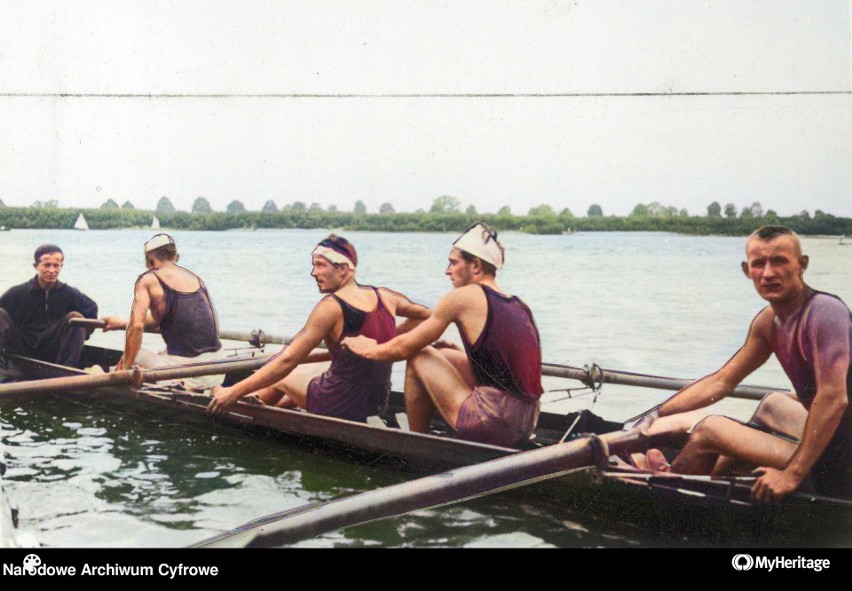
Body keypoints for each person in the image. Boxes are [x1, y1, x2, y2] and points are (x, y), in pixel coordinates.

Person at [638, 225, 850, 501]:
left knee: (709, 430)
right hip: (836, 436)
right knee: (772, 403)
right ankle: (721, 475)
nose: (769, 273)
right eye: (759, 264)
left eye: (780, 261)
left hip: (841, 456)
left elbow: (834, 398)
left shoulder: (825, 312)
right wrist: (655, 415)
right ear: (746, 270)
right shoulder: (768, 322)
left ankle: (667, 490)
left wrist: (791, 476)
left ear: (802, 265)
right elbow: (722, 381)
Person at [343, 222, 543, 447]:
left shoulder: (462, 296)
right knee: (446, 353)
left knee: (420, 354)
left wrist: (368, 348)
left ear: (475, 266)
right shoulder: (518, 303)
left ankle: (418, 445)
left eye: (453, 263)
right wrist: (462, 358)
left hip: (493, 422)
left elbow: (406, 346)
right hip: (528, 421)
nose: (447, 271)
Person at [208, 234, 431, 423]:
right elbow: (427, 315)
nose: (314, 273)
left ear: (343, 269)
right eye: (314, 265)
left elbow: (287, 360)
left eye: (320, 265)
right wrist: (390, 342)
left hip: (340, 404)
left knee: (281, 376)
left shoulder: (331, 308)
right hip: (377, 401)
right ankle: (278, 408)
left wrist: (234, 390)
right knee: (316, 367)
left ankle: (235, 409)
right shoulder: (386, 296)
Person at [101, 233, 223, 383]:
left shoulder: (148, 280)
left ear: (150, 260)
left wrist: (124, 370)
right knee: (150, 356)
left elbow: (137, 326)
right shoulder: (196, 279)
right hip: (218, 369)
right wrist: (122, 323)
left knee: (134, 356)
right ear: (175, 257)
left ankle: (105, 374)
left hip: (185, 372)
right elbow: (185, 321)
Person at [0, 244, 98, 367]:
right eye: (46, 265)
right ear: (36, 266)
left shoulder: (69, 293)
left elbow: (92, 310)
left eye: (56, 265)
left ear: (61, 266)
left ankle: (65, 373)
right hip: (21, 348)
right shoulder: (18, 293)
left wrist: (81, 335)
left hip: (53, 349)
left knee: (76, 318)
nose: (52, 270)